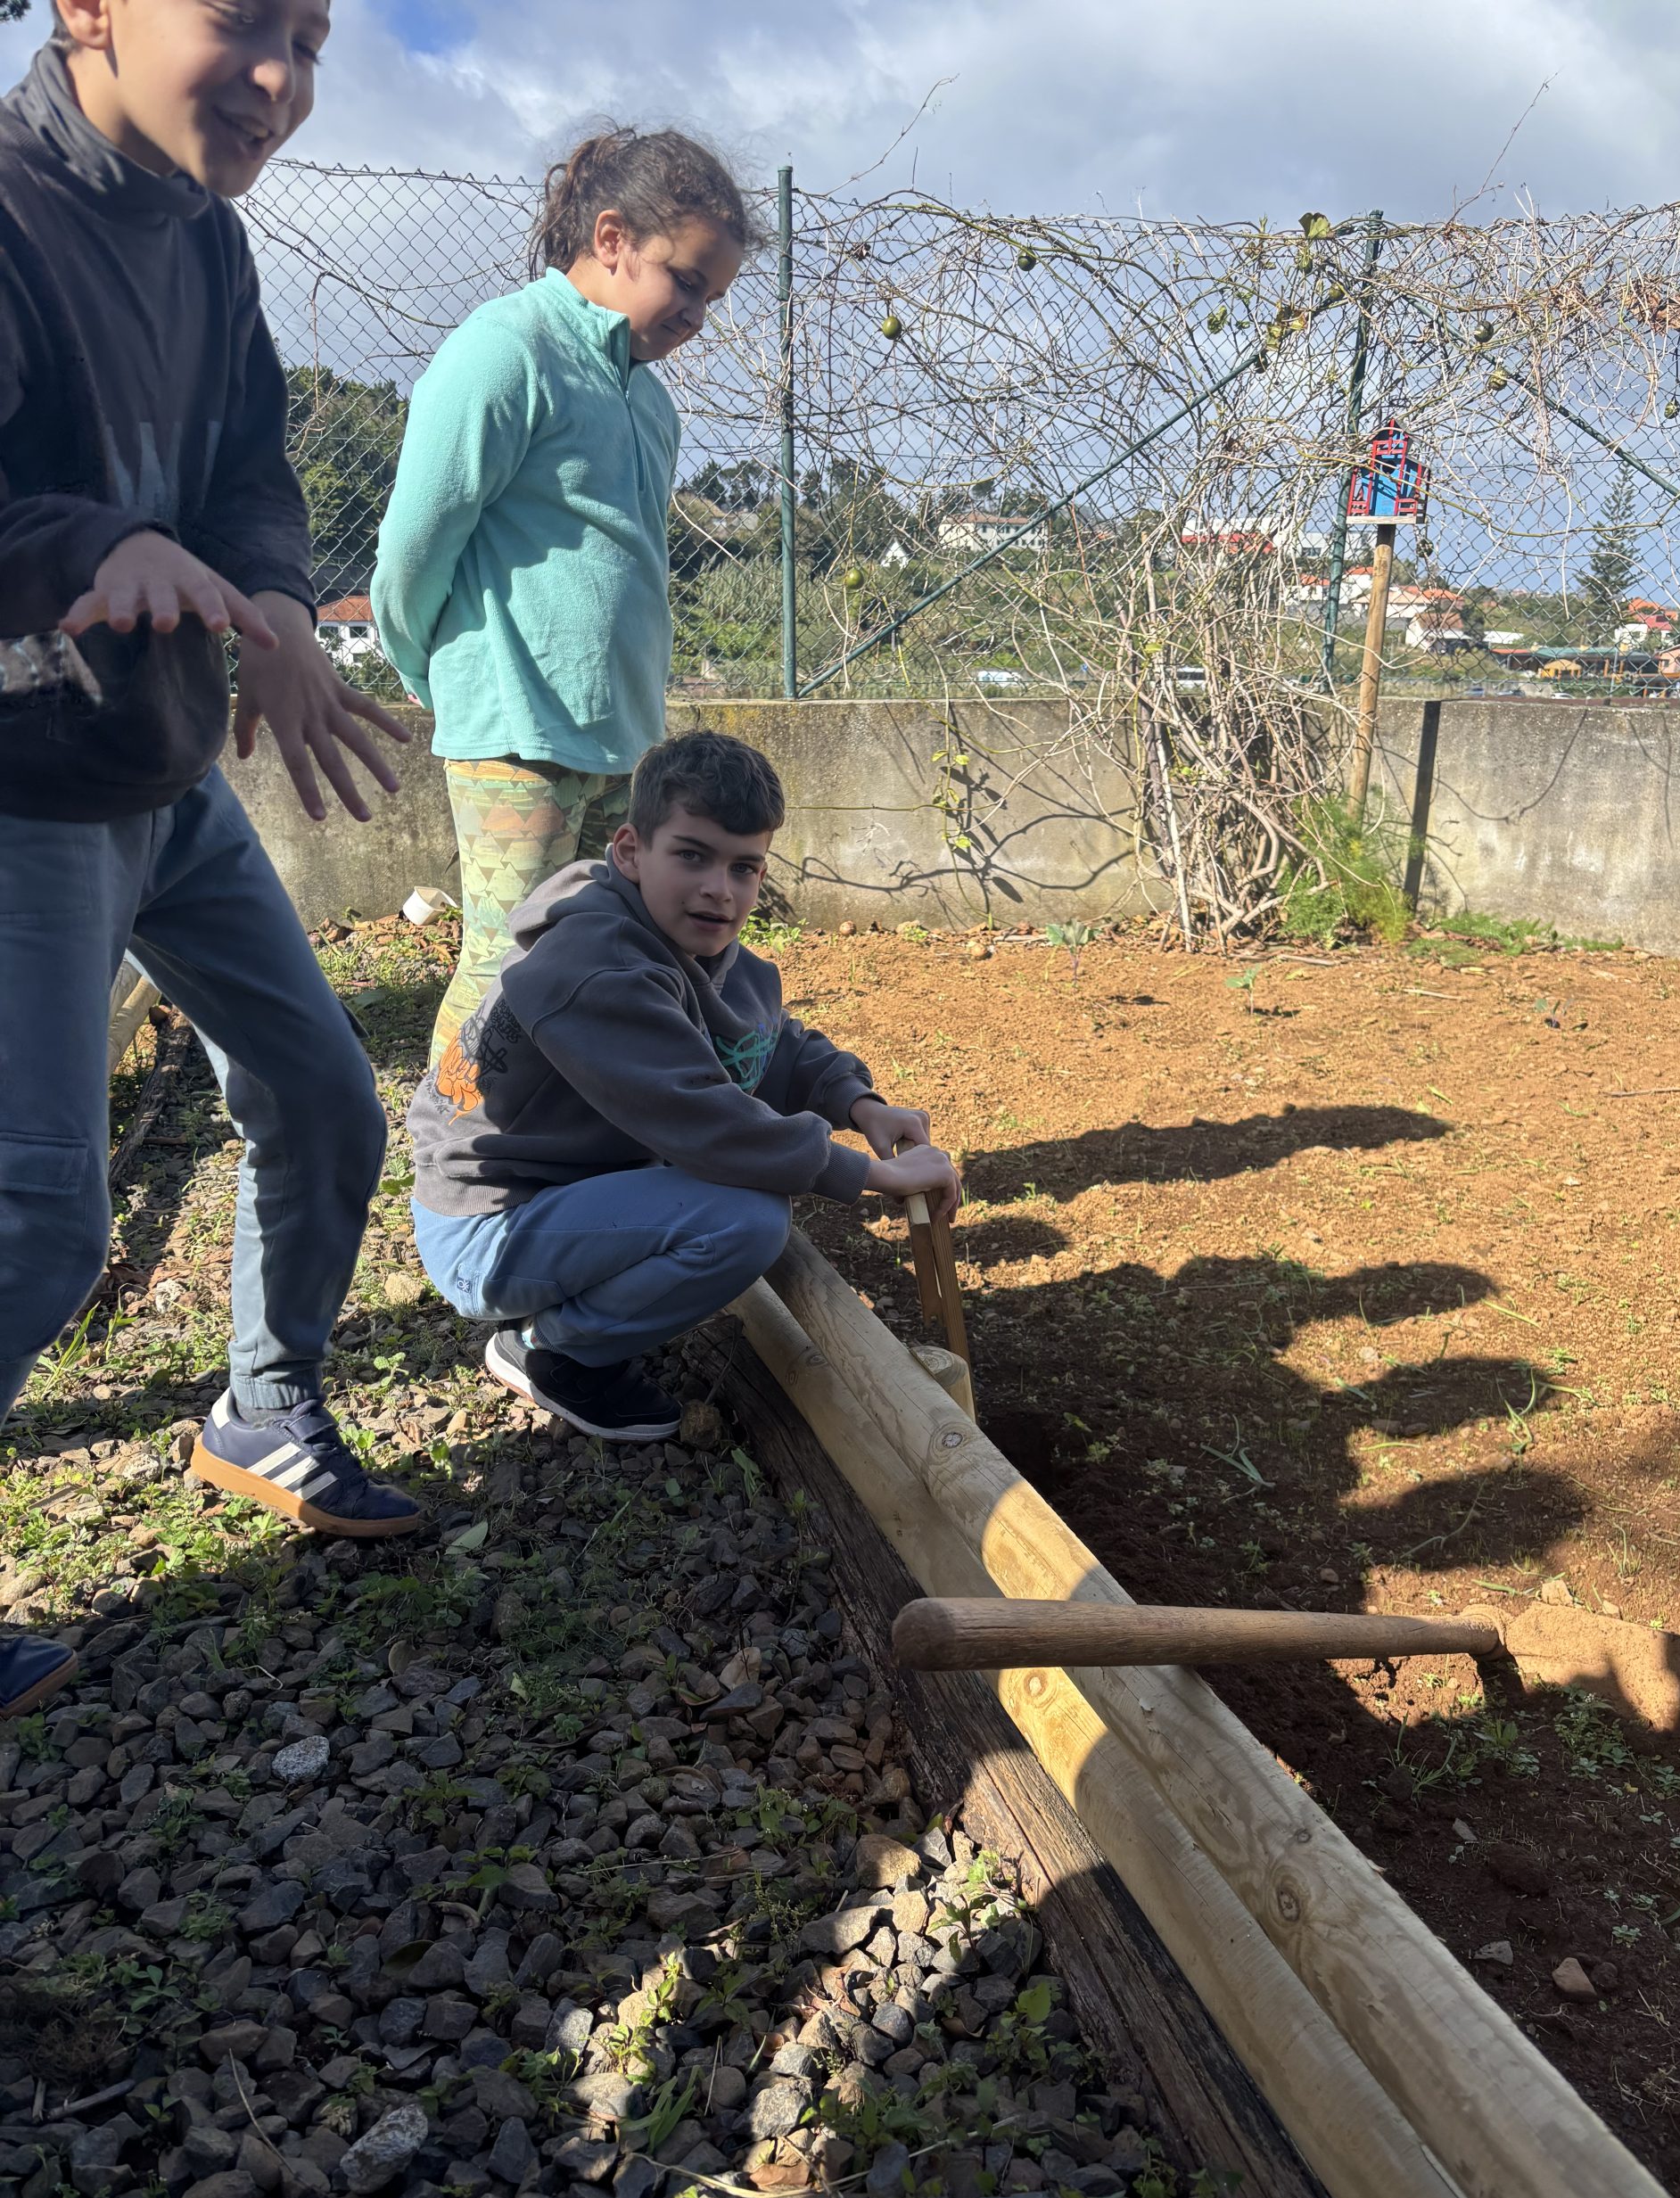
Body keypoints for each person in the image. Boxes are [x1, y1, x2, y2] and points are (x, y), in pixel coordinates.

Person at [0, 0, 426, 1715]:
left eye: (310, 42)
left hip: (166, 768)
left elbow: (252, 469)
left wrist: (264, 597)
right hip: (26, 781)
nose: (281, 82)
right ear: (89, 7)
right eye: (244, 23)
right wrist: (101, 540)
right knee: (35, 1223)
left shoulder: (205, 240)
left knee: (324, 1100)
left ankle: (263, 1407)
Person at [408, 731, 960, 1441]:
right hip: (486, 1228)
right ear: (630, 851)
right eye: (692, 856)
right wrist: (870, 1176)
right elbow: (705, 1122)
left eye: (743, 867)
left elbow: (762, 1040)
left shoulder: (684, 941)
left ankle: (572, 1308)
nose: (719, 889)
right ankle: (555, 1352)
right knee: (745, 1220)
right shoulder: (596, 965)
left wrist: (859, 1103)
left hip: (553, 1196)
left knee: (733, 1201)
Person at [372, 125, 752, 1070]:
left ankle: (561, 1144)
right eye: (687, 281)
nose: (696, 314)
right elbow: (415, 544)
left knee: (598, 964)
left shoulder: (649, 400)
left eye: (712, 297)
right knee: (507, 970)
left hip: (619, 734)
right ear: (612, 237)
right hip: (515, 728)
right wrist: (429, 670)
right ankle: (455, 1153)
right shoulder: (507, 349)